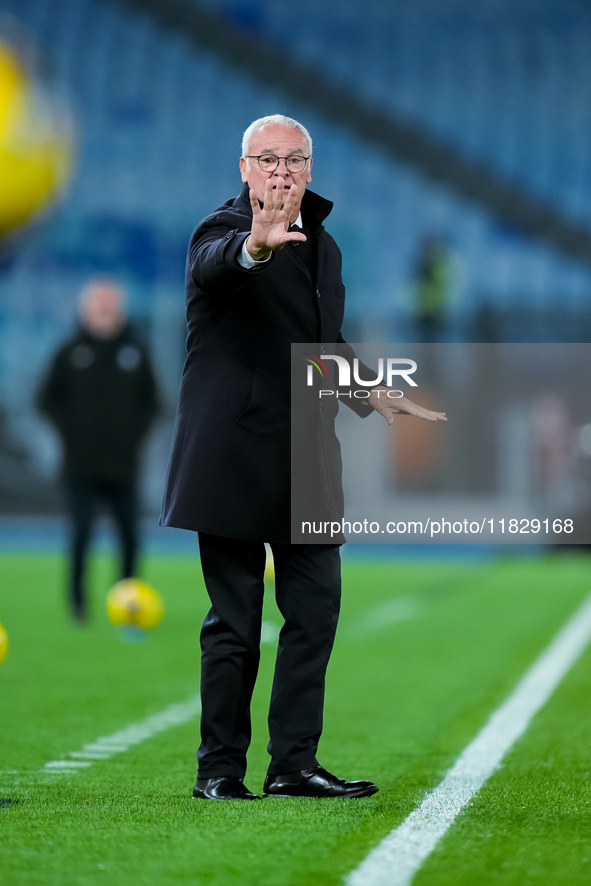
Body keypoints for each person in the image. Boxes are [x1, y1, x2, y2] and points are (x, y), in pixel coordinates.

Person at [161, 115, 446, 801]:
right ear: (244, 168)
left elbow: (316, 346)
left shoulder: (325, 247)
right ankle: (219, 769)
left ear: (310, 169)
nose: (281, 170)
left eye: (293, 159)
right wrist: (255, 247)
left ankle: (293, 764)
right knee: (233, 621)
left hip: (307, 458)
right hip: (233, 455)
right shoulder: (218, 233)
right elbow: (219, 266)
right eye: (267, 158)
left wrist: (374, 392)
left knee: (314, 613)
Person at [37, 279, 160, 622]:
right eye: (99, 303)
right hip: (81, 465)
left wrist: (134, 436)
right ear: (86, 309)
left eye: (111, 303)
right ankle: (78, 605)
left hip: (124, 465)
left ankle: (128, 602)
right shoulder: (70, 351)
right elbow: (46, 399)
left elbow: (152, 402)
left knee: (130, 538)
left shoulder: (135, 350)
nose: (105, 309)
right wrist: (70, 434)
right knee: (80, 536)